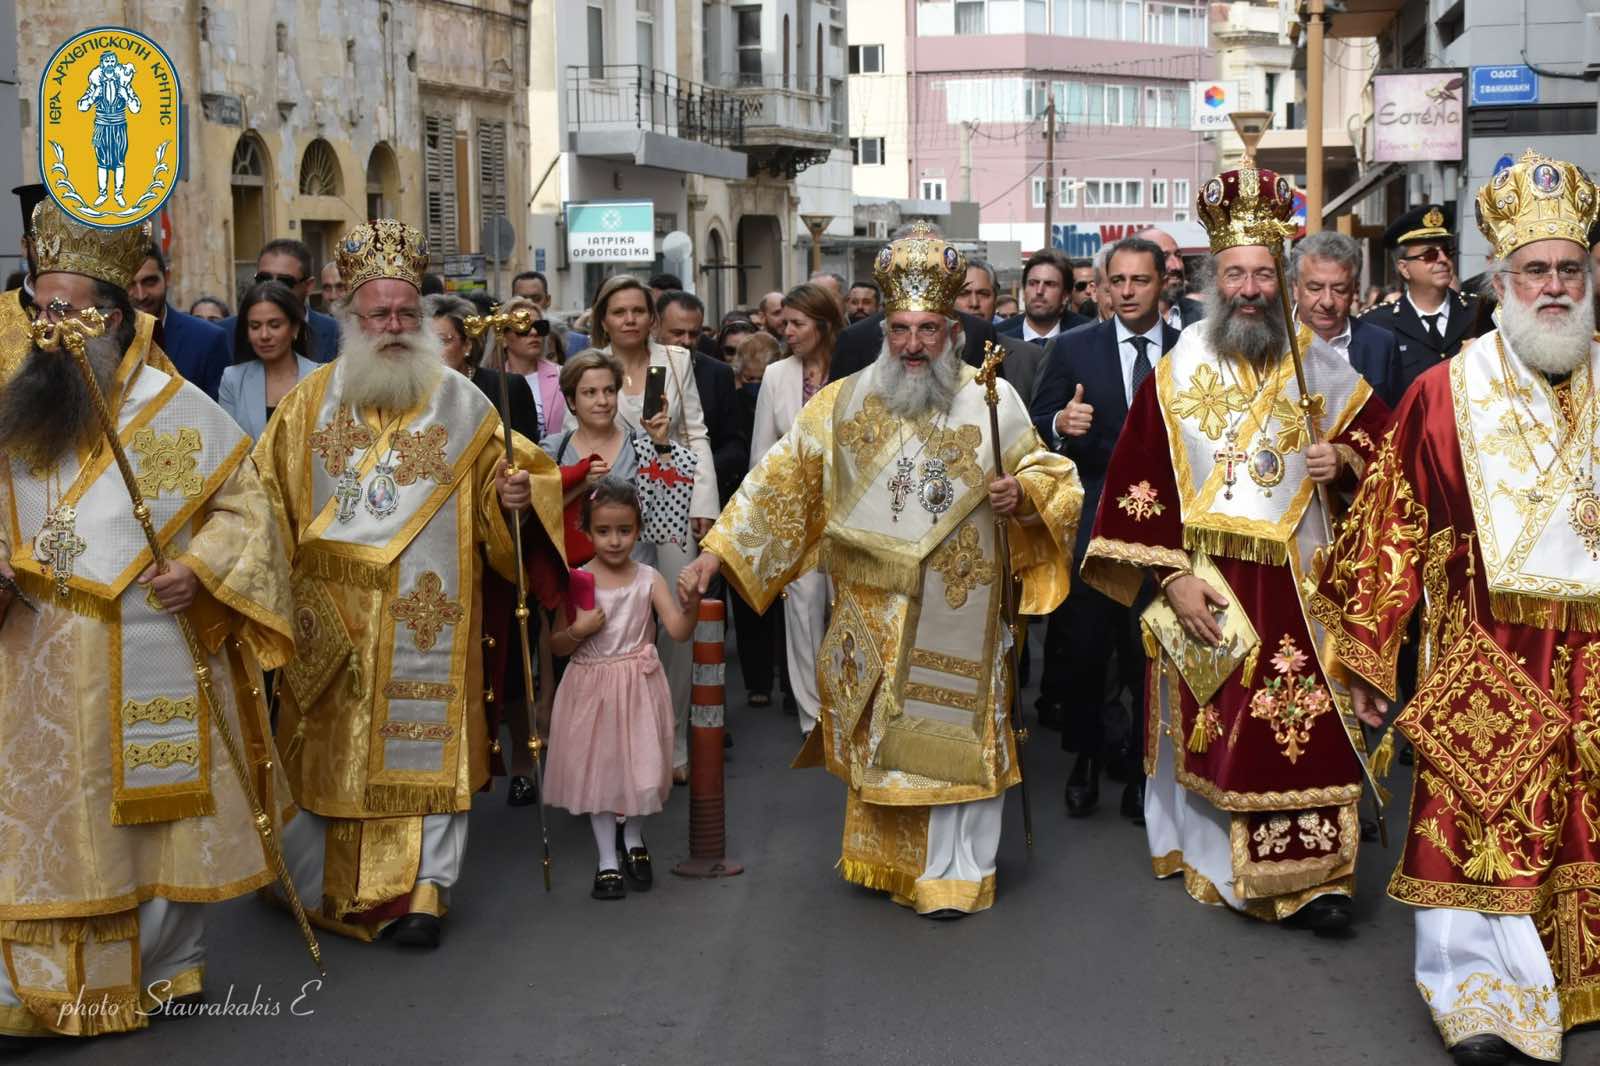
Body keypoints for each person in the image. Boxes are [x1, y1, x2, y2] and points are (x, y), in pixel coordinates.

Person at [679, 223, 1083, 916]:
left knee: (958, 735)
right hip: (876, 607)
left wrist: (1022, 496)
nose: (913, 345)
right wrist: (715, 554)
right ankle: (895, 867)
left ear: (951, 331)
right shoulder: (843, 402)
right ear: (883, 330)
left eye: (928, 330)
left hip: (962, 600)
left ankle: (958, 872)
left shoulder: (991, 397)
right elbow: (780, 481)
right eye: (900, 329)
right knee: (886, 739)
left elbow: (1052, 477)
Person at [1312, 150, 1600, 1066]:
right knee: (1479, 822)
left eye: (1568, 269)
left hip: (1594, 656)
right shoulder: (1446, 391)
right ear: (1501, 282)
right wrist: (1368, 655)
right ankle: (1481, 998)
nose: (1553, 287)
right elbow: (1389, 523)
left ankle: (1577, 979)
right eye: (1535, 270)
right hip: (1486, 654)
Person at [0, 203, 294, 1037]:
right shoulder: (13, 405)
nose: (49, 327)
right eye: (39, 308)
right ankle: (32, 991)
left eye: (68, 311)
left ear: (113, 315)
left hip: (144, 645)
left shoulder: (176, 410)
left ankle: (159, 968)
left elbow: (249, 515)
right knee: (40, 827)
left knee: (155, 823)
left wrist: (198, 571)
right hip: (29, 654)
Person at [1081, 161, 1392, 935]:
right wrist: (1169, 579)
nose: (1251, 289)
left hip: (1305, 586)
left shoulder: (1320, 364)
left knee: (1310, 729)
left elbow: (1390, 456)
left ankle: (1321, 882)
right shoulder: (1179, 366)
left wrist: (1343, 460)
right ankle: (1224, 865)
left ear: (1281, 280)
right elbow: (1139, 485)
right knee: (1225, 733)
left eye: (1262, 274)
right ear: (1212, 281)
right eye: (1235, 274)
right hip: (1210, 585)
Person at [253, 219, 564, 949]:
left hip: (431, 616)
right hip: (330, 624)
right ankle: (330, 888)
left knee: (429, 752)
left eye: (404, 314)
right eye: (378, 315)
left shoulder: (465, 406)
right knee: (330, 759)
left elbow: (512, 495)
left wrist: (513, 501)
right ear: (349, 318)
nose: (393, 327)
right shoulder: (306, 406)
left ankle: (425, 892)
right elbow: (264, 506)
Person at [1029, 237, 1182, 822]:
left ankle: (1145, 772)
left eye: (1140, 280)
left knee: (1150, 653)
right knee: (1087, 651)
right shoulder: (1074, 348)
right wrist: (1060, 423)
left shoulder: (1188, 351)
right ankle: (1086, 759)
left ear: (1162, 283)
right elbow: (1034, 427)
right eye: (1117, 281)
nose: (1127, 291)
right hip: (1093, 525)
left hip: (1168, 527)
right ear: (1102, 287)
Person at [587, 275, 719, 784]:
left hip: (672, 500)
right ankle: (621, 741)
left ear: (652, 317)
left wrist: (703, 502)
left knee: (677, 615)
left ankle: (673, 739)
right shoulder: (594, 365)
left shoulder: (674, 361)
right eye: (619, 312)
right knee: (618, 621)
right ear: (603, 319)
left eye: (638, 311)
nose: (630, 320)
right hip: (611, 509)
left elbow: (695, 433)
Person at [547, 478, 702, 900]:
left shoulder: (649, 578)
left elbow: (678, 631)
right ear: (586, 530)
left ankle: (633, 838)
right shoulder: (578, 580)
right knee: (599, 773)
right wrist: (579, 630)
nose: (614, 541)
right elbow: (556, 644)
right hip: (591, 689)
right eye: (603, 531)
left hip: (638, 688)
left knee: (643, 768)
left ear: (638, 529)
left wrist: (690, 606)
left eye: (624, 530)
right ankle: (607, 861)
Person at [427, 294, 542, 804]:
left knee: (508, 658)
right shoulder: (411, 396)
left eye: (443, 340)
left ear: (467, 345)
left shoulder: (502, 387)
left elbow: (530, 460)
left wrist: (512, 492)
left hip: (496, 538)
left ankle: (521, 757)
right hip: (436, 545)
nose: (434, 351)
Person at [759, 283, 846, 736]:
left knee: (848, 607)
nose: (787, 331)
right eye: (785, 323)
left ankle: (849, 703)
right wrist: (769, 519)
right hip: (796, 513)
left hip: (850, 511)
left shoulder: (855, 369)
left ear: (824, 324)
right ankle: (813, 718)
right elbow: (762, 454)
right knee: (803, 610)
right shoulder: (776, 375)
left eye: (797, 323)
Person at [831, 223, 1000, 381]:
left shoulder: (980, 332)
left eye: (932, 258)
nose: (921, 267)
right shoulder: (855, 339)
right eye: (911, 258)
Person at [1365, 204, 1478, 399]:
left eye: (1447, 251)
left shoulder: (1479, 312)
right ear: (1404, 268)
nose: (1443, 259)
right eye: (1430, 255)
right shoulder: (1378, 325)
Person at [727, 331, 782, 708]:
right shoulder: (737, 404)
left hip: (772, 503)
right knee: (756, 596)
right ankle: (764, 677)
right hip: (750, 504)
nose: (755, 387)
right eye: (750, 379)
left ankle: (770, 678)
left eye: (761, 379)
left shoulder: (785, 396)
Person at [1288, 230, 1402, 407]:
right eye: (1315, 288)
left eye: (1339, 289)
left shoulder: (1381, 345)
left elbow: (1395, 417)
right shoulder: (1271, 343)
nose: (1327, 301)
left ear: (1355, 290)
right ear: (1295, 288)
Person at [658, 290, 744, 507]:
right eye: (677, 332)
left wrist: (700, 472)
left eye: (694, 334)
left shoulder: (718, 374)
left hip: (701, 493)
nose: (686, 341)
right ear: (655, 326)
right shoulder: (641, 370)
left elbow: (733, 443)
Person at [127, 244, 233, 399]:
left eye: (149, 282)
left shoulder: (207, 339)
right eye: (130, 284)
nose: (141, 295)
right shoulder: (105, 341)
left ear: (167, 277)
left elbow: (219, 410)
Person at [219, 281, 318, 440]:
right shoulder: (233, 380)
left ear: (294, 328)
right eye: (255, 326)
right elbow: (228, 444)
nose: (264, 335)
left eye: (275, 325)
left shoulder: (320, 377)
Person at [218, 239, 341, 363]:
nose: (272, 288)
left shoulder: (336, 332)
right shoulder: (224, 333)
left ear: (308, 286)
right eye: (264, 279)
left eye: (285, 281)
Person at [954, 257, 1043, 404]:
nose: (974, 303)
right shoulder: (929, 357)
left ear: (995, 299)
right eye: (964, 293)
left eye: (983, 294)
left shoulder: (1030, 357)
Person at [488, 296, 564, 440]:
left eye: (540, 326)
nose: (534, 332)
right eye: (523, 327)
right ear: (503, 338)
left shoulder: (563, 376)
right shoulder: (492, 383)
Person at [995, 249, 1088, 344]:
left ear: (1065, 295)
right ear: (1024, 290)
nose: (1039, 291)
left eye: (1050, 284)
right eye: (1032, 283)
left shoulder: (1087, 335)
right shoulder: (996, 337)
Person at [1137, 227, 1206, 329]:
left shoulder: (1206, 316)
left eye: (1178, 255)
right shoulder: (1121, 321)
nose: (1177, 266)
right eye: (1164, 257)